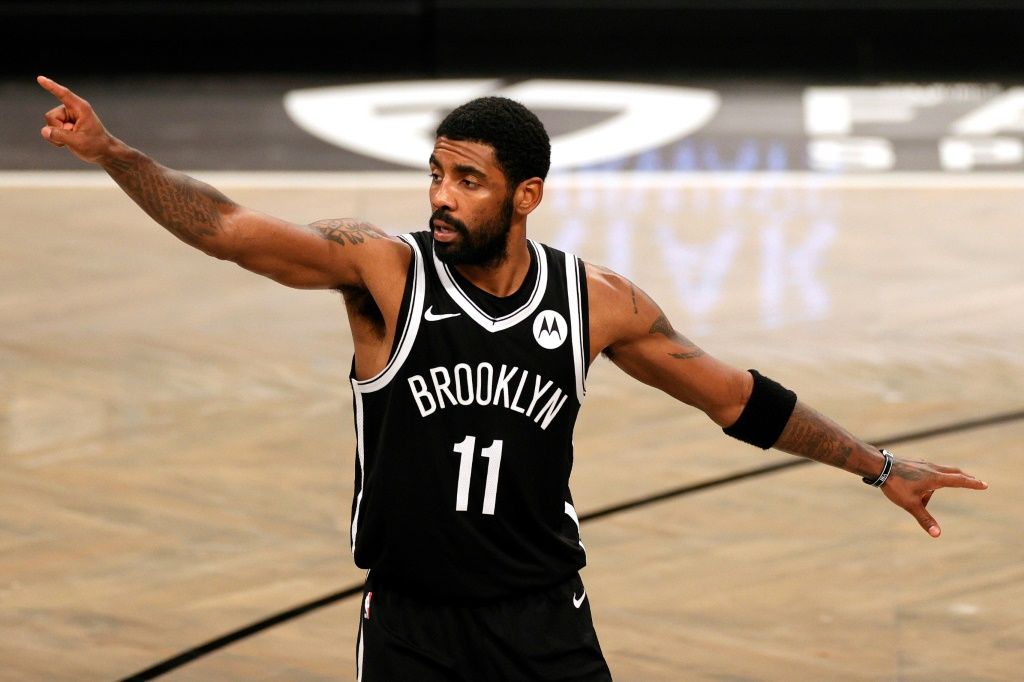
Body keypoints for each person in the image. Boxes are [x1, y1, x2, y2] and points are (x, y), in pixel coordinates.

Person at [36, 75, 987, 682]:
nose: (442, 197)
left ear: (527, 194)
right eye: (436, 174)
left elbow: (736, 399)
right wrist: (115, 154)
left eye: (469, 180)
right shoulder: (384, 270)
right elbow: (227, 230)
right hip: (411, 626)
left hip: (542, 624)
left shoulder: (597, 301)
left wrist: (876, 464)